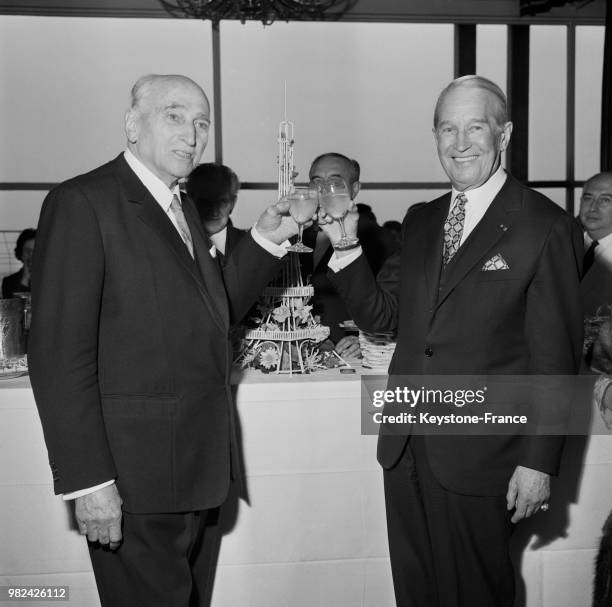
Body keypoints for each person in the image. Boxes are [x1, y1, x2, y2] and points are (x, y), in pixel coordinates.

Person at [28, 74, 298, 607]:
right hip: (133, 482)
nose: (192, 134)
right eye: (174, 116)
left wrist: (266, 238)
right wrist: (89, 482)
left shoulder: (180, 206)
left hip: (195, 472)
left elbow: (212, 310)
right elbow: (59, 356)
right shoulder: (83, 202)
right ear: (133, 125)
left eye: (202, 123)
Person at [319, 75, 583, 606]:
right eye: (447, 128)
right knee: (416, 592)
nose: (460, 142)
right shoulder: (421, 219)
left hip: (482, 448)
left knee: (475, 593)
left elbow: (558, 358)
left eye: (475, 127)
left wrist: (539, 462)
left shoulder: (545, 225)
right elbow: (384, 317)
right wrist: (346, 247)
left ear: (503, 135)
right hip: (406, 440)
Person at [302, 153, 392, 360]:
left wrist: (368, 338)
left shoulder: (378, 239)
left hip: (347, 354)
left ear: (354, 189)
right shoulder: (293, 235)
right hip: (300, 353)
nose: (323, 189)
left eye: (335, 182)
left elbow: (395, 305)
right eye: (316, 182)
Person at [186, 162, 246, 266]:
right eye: (205, 202)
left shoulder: (250, 245)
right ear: (191, 201)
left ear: (232, 203)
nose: (214, 211)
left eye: (222, 202)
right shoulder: (175, 243)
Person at [2, 228, 36, 299]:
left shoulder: (49, 280)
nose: (32, 255)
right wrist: (25, 279)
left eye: (35, 251)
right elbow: (12, 307)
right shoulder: (8, 282)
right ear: (21, 253)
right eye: (28, 251)